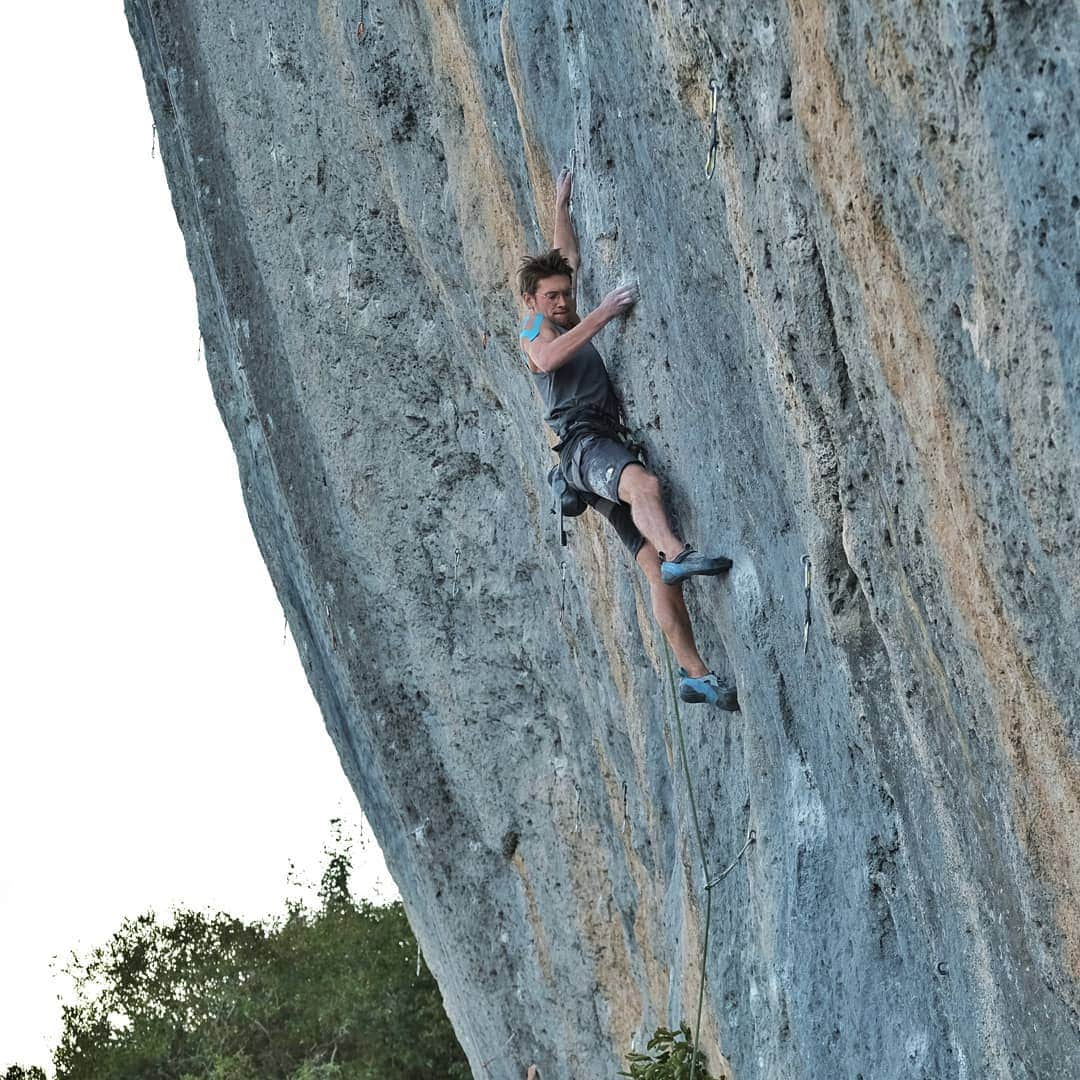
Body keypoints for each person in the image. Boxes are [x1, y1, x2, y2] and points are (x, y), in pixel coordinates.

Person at [516, 167, 738, 710]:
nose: (562, 302)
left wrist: (561, 203)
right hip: (583, 445)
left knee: (652, 570)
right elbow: (544, 358)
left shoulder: (558, 304)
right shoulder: (532, 329)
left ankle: (697, 676)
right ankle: (679, 551)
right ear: (531, 300)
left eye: (566, 295)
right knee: (642, 483)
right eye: (551, 297)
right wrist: (604, 312)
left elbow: (563, 253)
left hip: (596, 447)